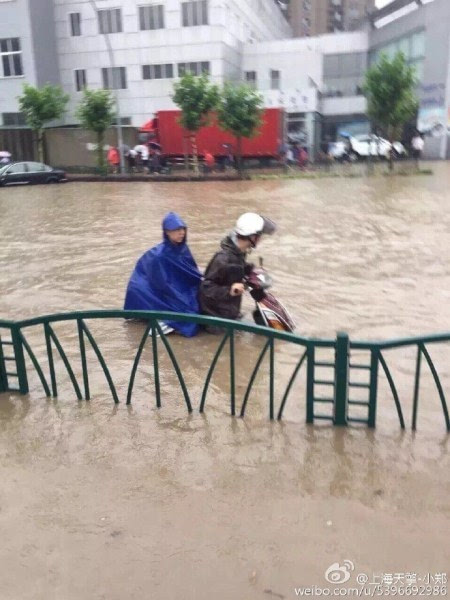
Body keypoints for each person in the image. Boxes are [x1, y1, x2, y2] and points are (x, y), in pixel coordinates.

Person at [124, 212, 202, 337]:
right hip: (160, 290)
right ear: (167, 232)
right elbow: (162, 283)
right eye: (177, 230)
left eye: (182, 229)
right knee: (188, 312)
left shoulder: (183, 249)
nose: (181, 232)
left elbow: (191, 272)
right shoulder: (159, 255)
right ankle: (164, 325)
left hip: (176, 287)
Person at [199, 213, 276, 329]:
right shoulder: (223, 259)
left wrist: (251, 270)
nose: (260, 239)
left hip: (230, 313)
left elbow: (236, 270)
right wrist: (229, 291)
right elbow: (206, 288)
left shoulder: (239, 253)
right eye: (259, 235)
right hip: (217, 321)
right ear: (253, 237)